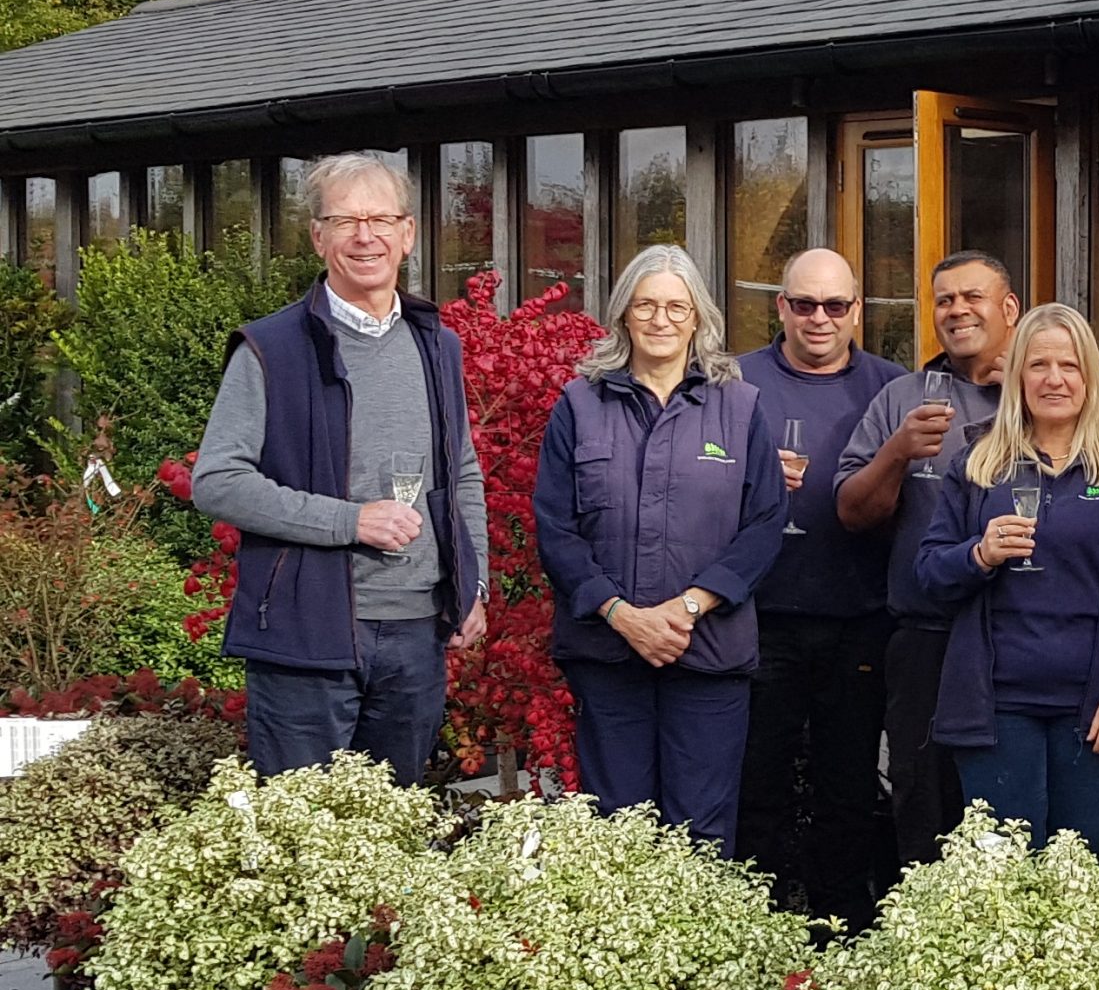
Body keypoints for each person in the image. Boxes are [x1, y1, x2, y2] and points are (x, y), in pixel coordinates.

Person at [195, 151, 488, 786]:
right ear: (317, 235)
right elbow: (217, 480)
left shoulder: (437, 343)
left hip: (416, 632)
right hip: (308, 628)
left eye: (382, 218)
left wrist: (474, 582)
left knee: (394, 828)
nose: (366, 235)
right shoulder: (271, 348)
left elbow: (461, 470)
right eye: (346, 219)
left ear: (408, 233)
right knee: (302, 833)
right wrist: (350, 520)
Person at [533, 246, 787, 848]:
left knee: (700, 833)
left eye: (677, 306)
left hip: (709, 655)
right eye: (646, 305)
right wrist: (621, 615)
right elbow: (555, 528)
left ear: (699, 316)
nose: (661, 319)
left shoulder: (739, 406)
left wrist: (689, 607)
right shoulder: (580, 404)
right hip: (607, 654)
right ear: (623, 316)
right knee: (618, 831)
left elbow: (766, 523)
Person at [914, 303, 1099, 848]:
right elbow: (929, 574)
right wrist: (979, 555)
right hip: (996, 706)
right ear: (1017, 377)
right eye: (1038, 365)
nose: (1055, 379)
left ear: (1090, 378)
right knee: (1003, 887)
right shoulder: (978, 463)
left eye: (1070, 366)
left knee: (1084, 881)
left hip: (1098, 706)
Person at [836, 250, 1022, 867]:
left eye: (973, 296)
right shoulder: (903, 397)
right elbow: (852, 513)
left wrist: (1020, 386)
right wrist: (896, 453)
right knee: (922, 804)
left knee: (1009, 813)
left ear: (1009, 309)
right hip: (924, 637)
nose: (957, 310)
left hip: (1025, 638)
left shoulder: (1050, 389)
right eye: (945, 299)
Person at [734, 248, 901, 917]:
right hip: (760, 615)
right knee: (758, 785)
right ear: (781, 307)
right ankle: (753, 929)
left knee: (849, 787)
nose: (820, 318)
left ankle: (841, 927)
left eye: (835, 305)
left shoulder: (890, 388)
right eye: (804, 304)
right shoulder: (735, 384)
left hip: (858, 615)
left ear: (857, 309)